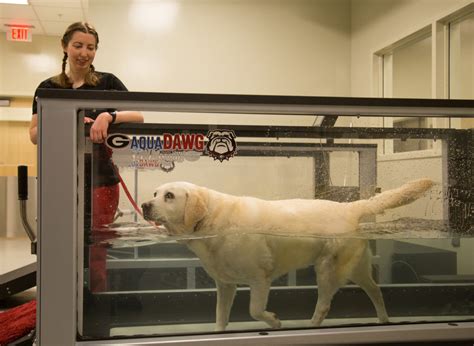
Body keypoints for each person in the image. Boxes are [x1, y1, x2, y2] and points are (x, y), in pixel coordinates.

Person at [29, 22, 144, 292]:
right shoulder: (47, 87)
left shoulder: (108, 82)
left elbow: (138, 115)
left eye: (90, 47)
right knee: (60, 242)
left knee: (98, 248)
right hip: (60, 181)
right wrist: (70, 121)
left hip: (102, 180)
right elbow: (34, 134)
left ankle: (96, 304)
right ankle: (60, 301)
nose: (84, 52)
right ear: (65, 47)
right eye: (78, 45)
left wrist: (108, 115)